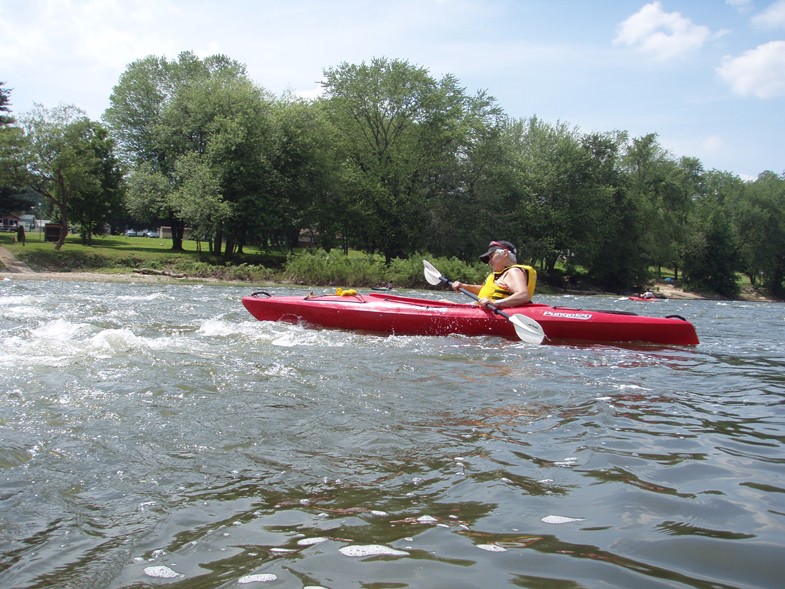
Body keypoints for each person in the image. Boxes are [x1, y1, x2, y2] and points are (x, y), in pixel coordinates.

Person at [451, 240, 537, 309]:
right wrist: (464, 286)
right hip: (481, 308)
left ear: (505, 253)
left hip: (498, 311)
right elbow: (486, 290)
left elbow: (523, 296)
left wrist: (495, 303)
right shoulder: (496, 275)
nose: (489, 261)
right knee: (443, 301)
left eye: (491, 256)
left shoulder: (513, 271)